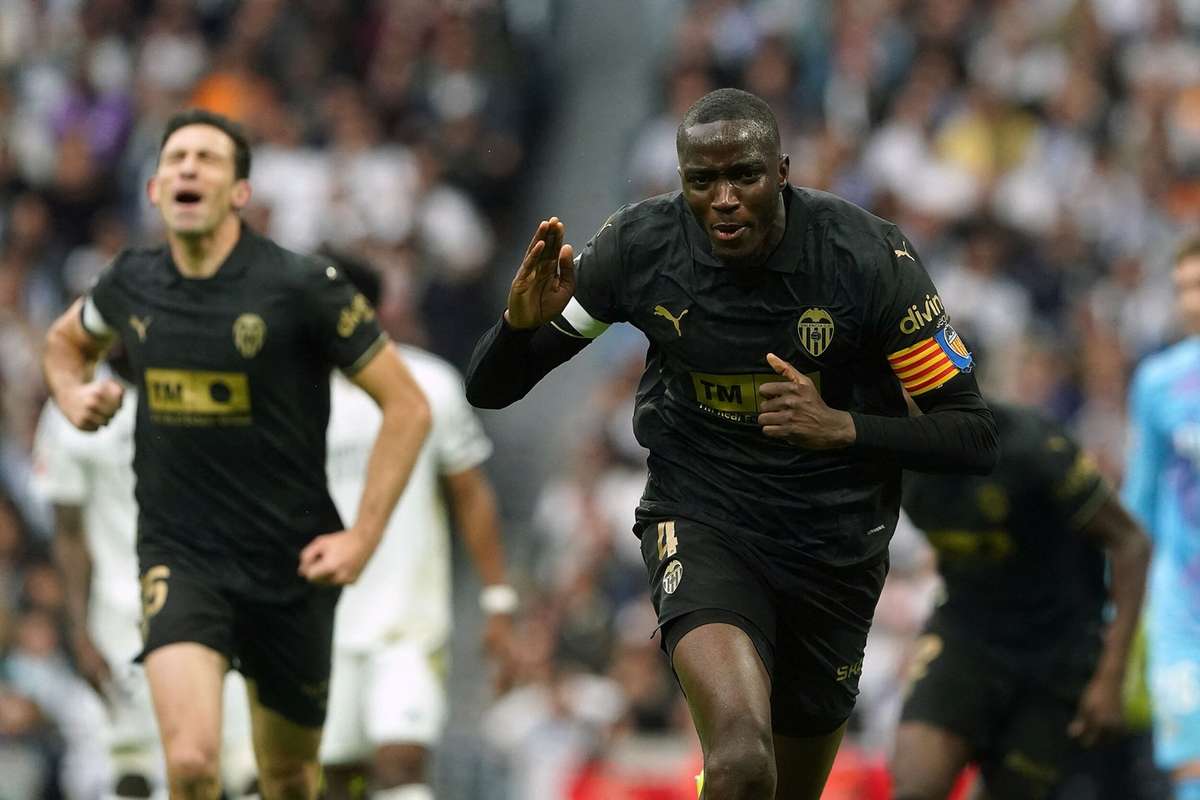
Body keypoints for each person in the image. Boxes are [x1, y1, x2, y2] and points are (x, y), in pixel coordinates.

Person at [464, 88, 999, 800]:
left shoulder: (867, 258)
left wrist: (842, 426)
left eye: (743, 176)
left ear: (782, 172)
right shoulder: (640, 247)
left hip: (834, 549)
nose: (722, 199)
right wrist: (515, 327)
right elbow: (491, 389)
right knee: (741, 761)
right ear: (681, 180)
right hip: (704, 520)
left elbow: (972, 433)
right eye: (701, 181)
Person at [40, 108, 431, 800]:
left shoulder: (302, 287)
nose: (189, 168)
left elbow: (408, 407)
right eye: (176, 159)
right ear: (156, 189)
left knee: (286, 777)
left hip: (290, 562)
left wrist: (362, 537)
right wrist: (71, 394)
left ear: (240, 192)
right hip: (180, 558)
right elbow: (64, 341)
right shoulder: (130, 281)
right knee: (192, 764)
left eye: (208, 159)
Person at [319, 259, 516, 800]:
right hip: (320, 624)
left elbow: (470, 493)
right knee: (337, 778)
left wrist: (498, 600)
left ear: (370, 309)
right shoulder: (290, 395)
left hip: (408, 623)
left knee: (401, 763)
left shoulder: (429, 384)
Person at [891, 401, 1150, 800]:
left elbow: (1131, 543)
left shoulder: (1032, 446)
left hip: (1057, 650)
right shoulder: (884, 453)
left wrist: (1111, 676)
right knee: (917, 787)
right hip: (965, 636)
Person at [32, 362, 259, 798]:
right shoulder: (72, 404)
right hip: (118, 616)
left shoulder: (203, 380)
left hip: (208, 604)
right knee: (132, 770)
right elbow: (69, 531)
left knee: (241, 765)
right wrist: (80, 631)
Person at [1124, 235, 1200, 800]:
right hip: (1183, 607)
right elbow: (1141, 499)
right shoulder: (1158, 382)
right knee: (1191, 771)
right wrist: (1115, 606)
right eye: (1183, 288)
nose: (1191, 301)